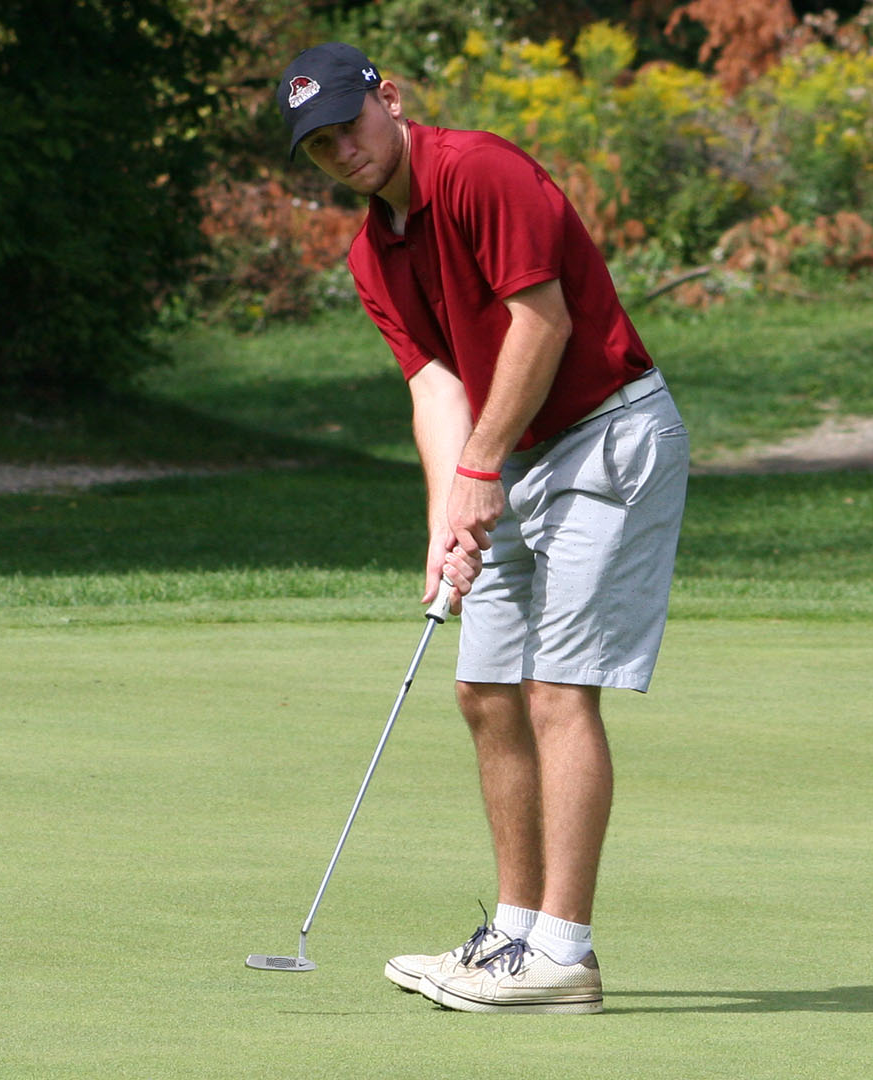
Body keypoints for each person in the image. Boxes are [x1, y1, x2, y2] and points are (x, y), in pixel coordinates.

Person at [279, 42, 688, 1015]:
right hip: (510, 457)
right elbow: (435, 383)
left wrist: (479, 468)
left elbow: (538, 323)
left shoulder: (480, 172)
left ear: (391, 97)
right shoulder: (372, 252)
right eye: (321, 146)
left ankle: (565, 954)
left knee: (556, 690)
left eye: (350, 124)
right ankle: (513, 934)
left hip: (607, 436)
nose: (343, 151)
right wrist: (445, 517)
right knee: (485, 688)